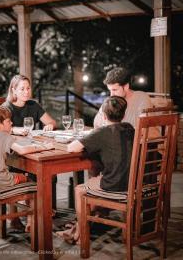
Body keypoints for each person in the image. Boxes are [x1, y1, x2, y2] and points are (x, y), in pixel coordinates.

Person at [56, 96, 135, 244]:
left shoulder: (102, 132)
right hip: (132, 182)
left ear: (104, 116)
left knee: (80, 190)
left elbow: (72, 148)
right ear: (123, 114)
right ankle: (75, 232)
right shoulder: (129, 128)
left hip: (114, 184)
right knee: (93, 181)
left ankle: (81, 236)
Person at [0, 105, 53, 232]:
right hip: (1, 182)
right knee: (31, 181)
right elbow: (22, 150)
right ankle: (32, 221)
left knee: (18, 174)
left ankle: (19, 219)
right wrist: (45, 147)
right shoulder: (5, 137)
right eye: (8, 121)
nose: (12, 123)